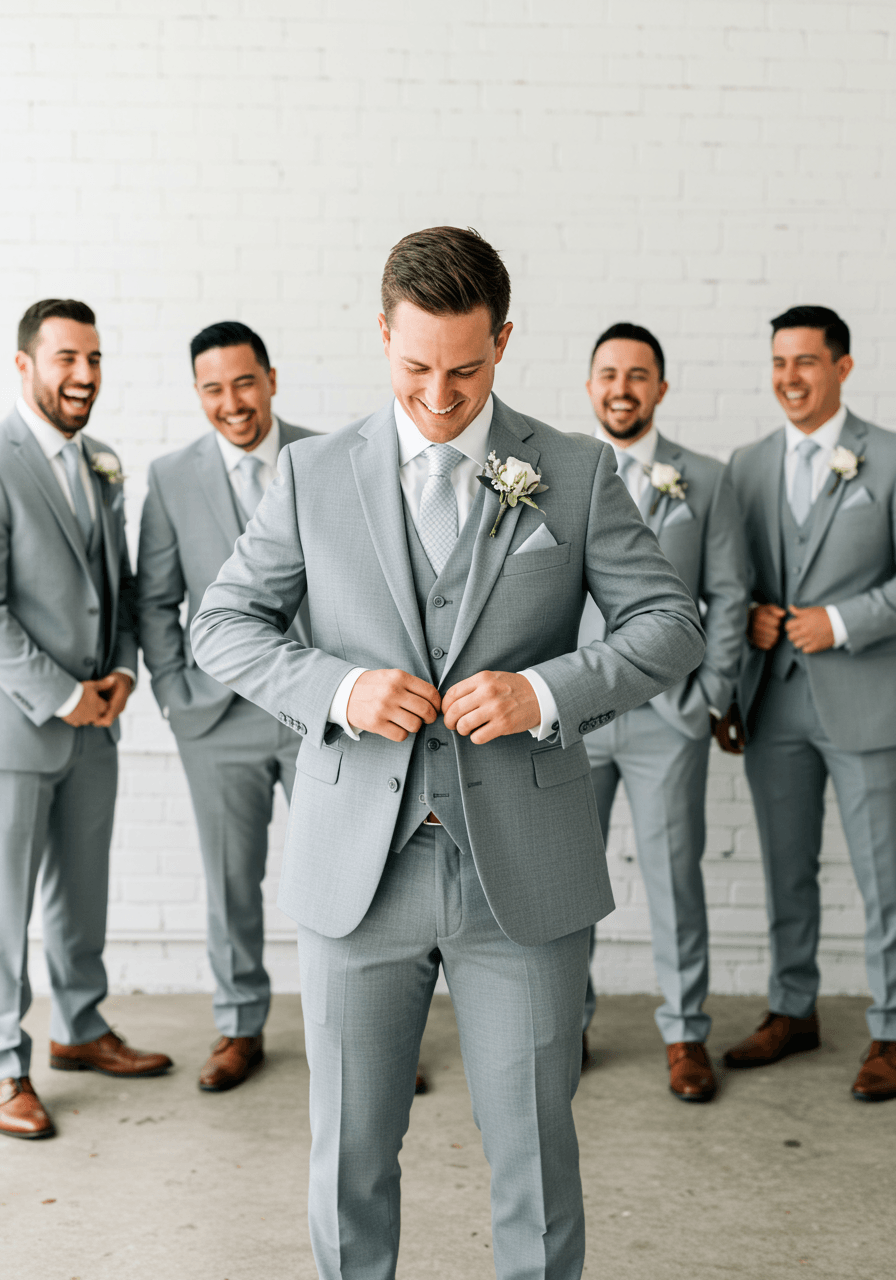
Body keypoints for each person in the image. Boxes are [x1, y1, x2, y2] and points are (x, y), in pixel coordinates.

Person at [191, 226, 704, 1278]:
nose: (437, 394)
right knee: (349, 1158)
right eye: (415, 365)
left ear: (503, 341)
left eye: (464, 369)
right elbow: (223, 625)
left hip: (523, 868)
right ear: (383, 336)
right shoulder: (308, 473)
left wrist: (545, 689)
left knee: (533, 1156)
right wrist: (336, 686)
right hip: (355, 873)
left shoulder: (569, 468)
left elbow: (669, 623)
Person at [0, 299, 171, 1143]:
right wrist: (65, 694)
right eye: (67, 358)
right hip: (19, 728)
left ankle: (79, 1028)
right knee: (4, 907)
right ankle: (3, 1066)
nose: (84, 375)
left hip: (97, 721)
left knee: (81, 893)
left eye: (95, 359)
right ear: (24, 364)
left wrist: (123, 674)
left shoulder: (103, 459)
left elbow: (128, 587)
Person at [720, 305, 896, 1103]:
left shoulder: (887, 459)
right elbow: (730, 578)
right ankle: (793, 1010)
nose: (790, 377)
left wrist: (845, 620)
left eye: (807, 362)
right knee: (787, 872)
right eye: (779, 361)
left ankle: (891, 1027)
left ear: (844, 367)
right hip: (774, 702)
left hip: (866, 701)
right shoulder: (745, 464)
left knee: (883, 874)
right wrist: (750, 613)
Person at [138, 321, 316, 1092]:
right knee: (229, 880)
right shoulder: (170, 477)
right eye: (213, 388)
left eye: (244, 382)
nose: (231, 402)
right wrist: (177, 696)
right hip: (216, 718)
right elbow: (155, 600)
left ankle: (362, 1032)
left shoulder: (324, 457)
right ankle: (240, 1025)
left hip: (319, 711)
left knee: (344, 877)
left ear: (271, 379)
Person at [578, 322, 748, 1101]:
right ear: (590, 388)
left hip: (667, 718)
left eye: (637, 375)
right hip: (574, 717)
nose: (622, 388)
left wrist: (709, 695)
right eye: (609, 375)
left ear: (661, 388)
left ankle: (685, 1033)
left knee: (675, 877)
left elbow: (729, 595)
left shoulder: (706, 480)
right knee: (564, 879)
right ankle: (565, 1022)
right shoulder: (555, 472)